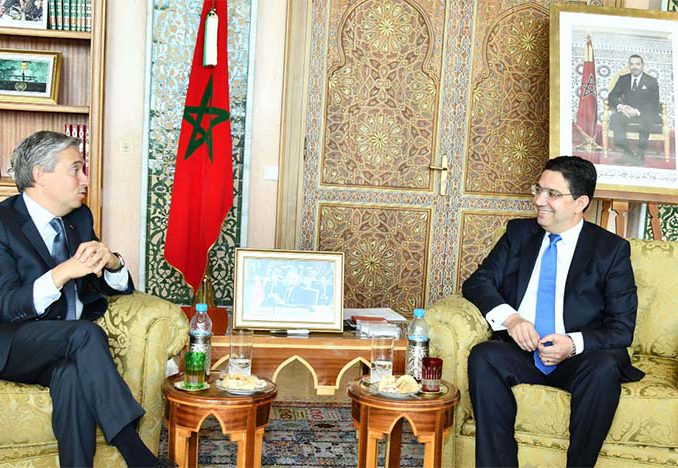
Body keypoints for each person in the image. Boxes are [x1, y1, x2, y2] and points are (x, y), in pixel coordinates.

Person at [0, 131, 171, 467]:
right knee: (85, 334)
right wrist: (62, 272)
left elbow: (112, 287)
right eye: (75, 169)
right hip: (11, 343)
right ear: (40, 174)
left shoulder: (79, 218)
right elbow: (6, 305)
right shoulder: (3, 223)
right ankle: (136, 454)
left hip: (64, 350)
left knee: (71, 377)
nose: (86, 179)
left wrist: (112, 263)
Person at [463, 156, 644, 468]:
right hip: (523, 349)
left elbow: (622, 327)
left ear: (580, 203)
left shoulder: (610, 250)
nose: (538, 200)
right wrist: (511, 318)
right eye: (538, 190)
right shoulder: (519, 234)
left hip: (578, 358)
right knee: (484, 356)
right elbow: (478, 282)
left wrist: (572, 344)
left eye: (552, 194)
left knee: (603, 367)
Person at [607, 54, 661, 164]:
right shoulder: (624, 79)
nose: (634, 66)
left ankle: (640, 155)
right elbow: (612, 96)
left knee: (646, 120)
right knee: (616, 118)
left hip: (645, 112)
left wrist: (636, 112)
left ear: (642, 65)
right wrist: (621, 107)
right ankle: (627, 154)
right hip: (627, 112)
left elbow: (654, 103)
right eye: (631, 64)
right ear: (629, 66)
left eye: (637, 64)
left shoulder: (651, 81)